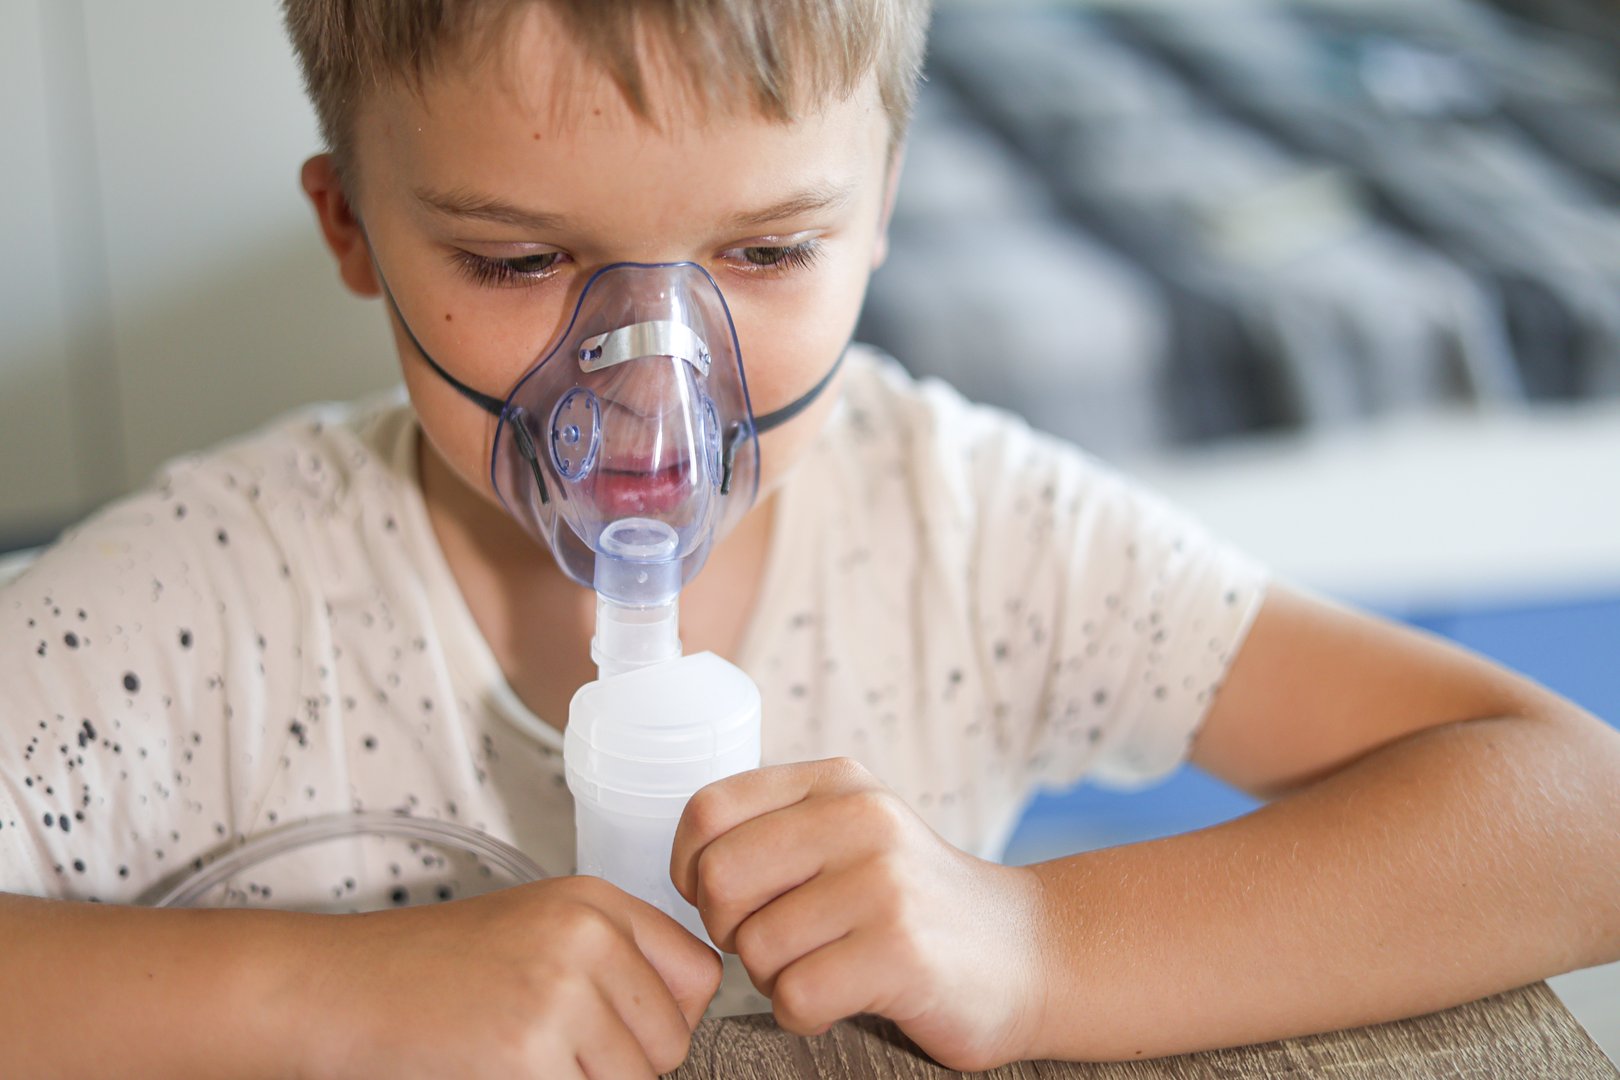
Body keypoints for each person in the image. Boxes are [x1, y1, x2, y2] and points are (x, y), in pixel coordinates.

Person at [2, 1, 1617, 1076]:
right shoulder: (210, 607)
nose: (649, 378)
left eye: (768, 248)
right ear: (352, 223)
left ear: (885, 203)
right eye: (517, 262)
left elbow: (1580, 814)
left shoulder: (966, 532)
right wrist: (314, 1000)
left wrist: (1038, 941)